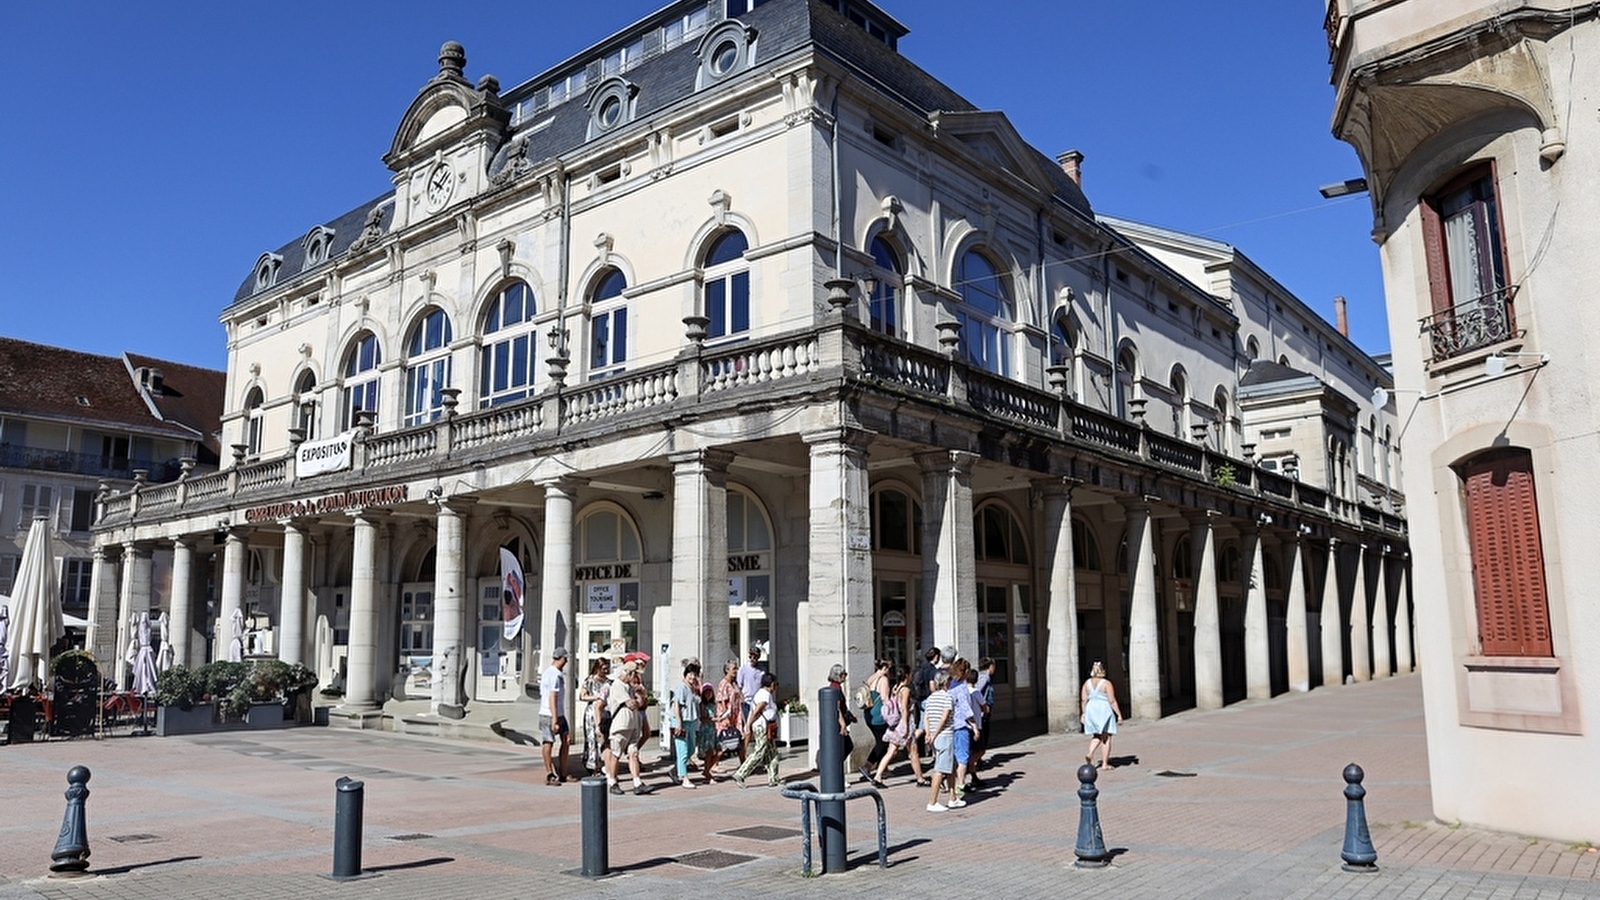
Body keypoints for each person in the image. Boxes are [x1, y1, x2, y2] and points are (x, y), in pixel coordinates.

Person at [872, 665, 927, 786]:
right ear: (907, 675)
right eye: (911, 674)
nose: (912, 676)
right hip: (904, 723)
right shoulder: (905, 689)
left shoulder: (895, 688)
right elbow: (903, 708)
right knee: (913, 752)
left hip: (895, 725)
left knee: (891, 751)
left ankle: (878, 776)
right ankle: (920, 779)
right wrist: (906, 726)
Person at [604, 662, 653, 795]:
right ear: (625, 673)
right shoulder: (617, 685)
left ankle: (637, 782)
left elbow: (640, 703)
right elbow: (631, 703)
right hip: (620, 726)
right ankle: (612, 782)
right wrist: (636, 700)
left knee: (634, 753)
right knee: (616, 754)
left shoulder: (629, 687)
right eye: (632, 674)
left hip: (633, 725)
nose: (633, 677)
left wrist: (639, 697)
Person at [923, 671, 962, 811]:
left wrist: (929, 733)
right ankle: (932, 802)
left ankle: (953, 798)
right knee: (940, 769)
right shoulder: (947, 697)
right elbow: (945, 717)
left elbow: (926, 717)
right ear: (946, 682)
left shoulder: (931, 698)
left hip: (936, 736)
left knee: (950, 767)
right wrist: (934, 733)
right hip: (944, 735)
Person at [734, 672, 780, 787]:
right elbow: (757, 711)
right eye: (776, 684)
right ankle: (741, 773)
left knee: (772, 753)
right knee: (759, 752)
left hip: (765, 727)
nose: (776, 687)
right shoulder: (765, 695)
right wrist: (748, 725)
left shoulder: (762, 693)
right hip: (762, 727)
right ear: (772, 684)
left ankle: (773, 778)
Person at [668, 658, 704, 789]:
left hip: (691, 722)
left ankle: (675, 771)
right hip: (681, 722)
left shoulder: (692, 688)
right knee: (682, 751)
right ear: (685, 674)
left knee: (691, 749)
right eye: (690, 674)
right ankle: (684, 778)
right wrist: (679, 723)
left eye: (695, 674)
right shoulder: (681, 688)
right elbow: (676, 704)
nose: (693, 677)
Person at [1081, 661, 1122, 771]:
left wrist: (1084, 713)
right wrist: (1119, 715)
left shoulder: (1086, 683)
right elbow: (1112, 700)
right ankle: (1105, 763)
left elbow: (1084, 700)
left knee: (1096, 735)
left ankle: (1090, 753)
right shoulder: (1106, 683)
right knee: (1106, 736)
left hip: (1091, 708)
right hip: (1103, 709)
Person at [539, 647, 571, 785]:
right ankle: (549, 773)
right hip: (550, 713)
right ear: (562, 658)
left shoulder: (551, 673)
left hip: (559, 713)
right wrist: (555, 719)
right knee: (548, 742)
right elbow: (552, 696)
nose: (567, 661)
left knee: (567, 740)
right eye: (566, 658)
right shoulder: (554, 674)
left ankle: (563, 772)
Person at [946, 658, 976, 801]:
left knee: (953, 757)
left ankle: (951, 785)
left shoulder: (950, 686)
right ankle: (960, 784)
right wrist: (975, 727)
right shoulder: (962, 689)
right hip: (961, 725)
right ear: (965, 672)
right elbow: (966, 710)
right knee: (963, 757)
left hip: (950, 725)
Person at [859, 658, 893, 785]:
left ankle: (884, 768)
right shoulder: (883, 679)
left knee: (881, 740)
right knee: (883, 742)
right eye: (889, 668)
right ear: (885, 668)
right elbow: (885, 698)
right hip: (879, 715)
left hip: (869, 714)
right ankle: (867, 766)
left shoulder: (870, 678)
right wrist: (892, 711)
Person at [578, 657, 612, 776]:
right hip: (592, 712)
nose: (606, 671)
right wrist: (596, 697)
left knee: (603, 740)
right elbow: (582, 696)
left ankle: (603, 765)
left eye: (607, 668)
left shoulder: (608, 681)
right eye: (604, 668)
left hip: (605, 711)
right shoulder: (590, 680)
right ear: (598, 668)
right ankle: (592, 766)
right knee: (592, 738)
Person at [714, 658, 746, 764]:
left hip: (736, 715)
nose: (736, 671)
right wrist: (726, 717)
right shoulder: (724, 684)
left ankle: (743, 763)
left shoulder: (734, 683)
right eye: (734, 668)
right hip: (727, 715)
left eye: (737, 668)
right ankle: (714, 764)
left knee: (740, 739)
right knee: (724, 741)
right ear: (727, 670)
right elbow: (722, 701)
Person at [696, 682, 721, 783]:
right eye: (706, 693)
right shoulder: (702, 704)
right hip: (706, 730)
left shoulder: (713, 704)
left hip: (713, 730)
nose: (708, 695)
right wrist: (714, 719)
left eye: (709, 692)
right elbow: (702, 718)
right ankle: (707, 773)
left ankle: (706, 770)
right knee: (708, 752)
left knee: (719, 751)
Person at [736, 647, 764, 718]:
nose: (753, 658)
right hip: (747, 702)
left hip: (758, 702)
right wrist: (742, 698)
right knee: (747, 724)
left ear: (759, 657)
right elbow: (738, 686)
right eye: (751, 656)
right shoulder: (743, 669)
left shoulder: (763, 670)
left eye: (755, 656)